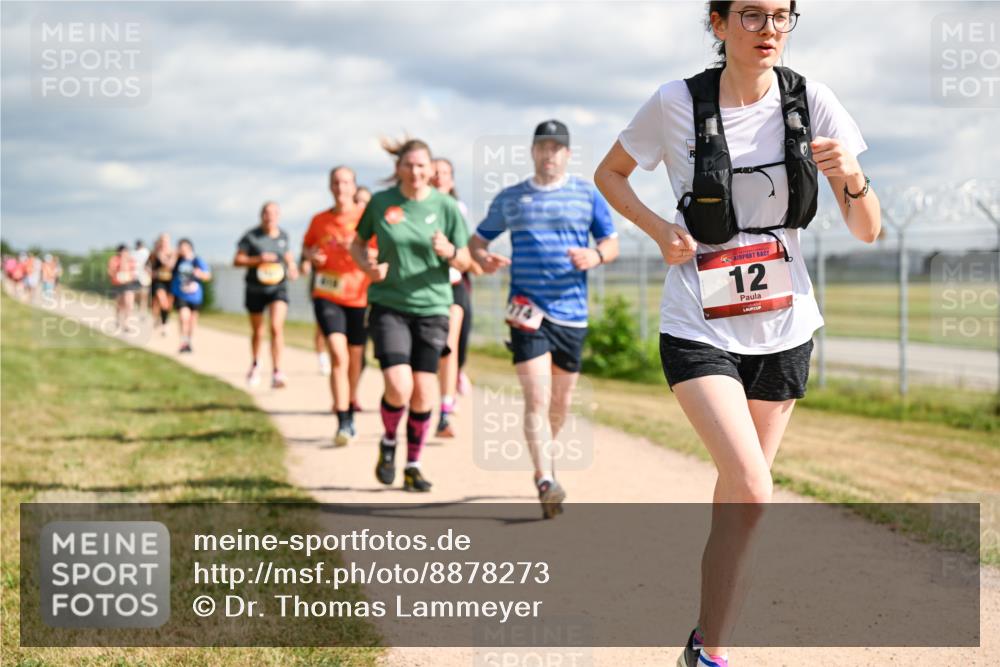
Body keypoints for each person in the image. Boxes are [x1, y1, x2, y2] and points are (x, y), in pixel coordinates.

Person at [593, 3, 881, 665]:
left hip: (785, 326)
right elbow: (610, 174)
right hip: (699, 319)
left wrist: (850, 177)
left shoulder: (814, 101)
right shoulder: (675, 102)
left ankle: (706, 649)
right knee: (752, 486)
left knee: (741, 506)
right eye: (752, 15)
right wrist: (657, 227)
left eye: (782, 15)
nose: (770, 29)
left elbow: (869, 229)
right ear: (719, 25)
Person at [469, 119, 619, 519]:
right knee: (536, 397)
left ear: (567, 154)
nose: (549, 154)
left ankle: (546, 461)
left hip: (572, 312)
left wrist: (597, 256)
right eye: (543, 147)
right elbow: (478, 240)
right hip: (527, 311)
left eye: (557, 148)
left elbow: (611, 241)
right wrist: (483, 258)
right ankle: (545, 479)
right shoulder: (511, 198)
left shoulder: (586, 194)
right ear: (533, 151)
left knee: (560, 402)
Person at [351, 137, 472, 492]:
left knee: (423, 393)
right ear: (398, 168)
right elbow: (358, 244)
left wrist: (449, 250)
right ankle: (389, 442)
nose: (416, 172)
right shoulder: (381, 203)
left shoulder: (446, 206)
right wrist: (367, 268)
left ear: (431, 169)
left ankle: (413, 465)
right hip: (390, 304)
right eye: (410, 165)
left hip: (433, 307)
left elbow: (466, 262)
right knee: (399, 386)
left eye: (422, 165)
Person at [303, 166, 374, 446]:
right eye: (336, 182)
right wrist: (312, 255)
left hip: (359, 295)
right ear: (330, 186)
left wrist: (364, 254)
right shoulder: (319, 220)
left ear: (354, 186)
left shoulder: (365, 217)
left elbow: (380, 249)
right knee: (337, 354)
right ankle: (343, 420)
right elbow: (307, 247)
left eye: (346, 182)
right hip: (327, 294)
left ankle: (350, 397)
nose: (341, 187)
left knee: (355, 357)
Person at [431, 157, 481, 437]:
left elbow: (466, 250)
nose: (439, 178)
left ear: (452, 179)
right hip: (423, 286)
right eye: (435, 173)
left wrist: (476, 263)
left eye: (445, 173)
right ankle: (434, 402)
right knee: (436, 349)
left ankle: (445, 410)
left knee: (452, 346)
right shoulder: (416, 207)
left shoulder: (457, 209)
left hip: (454, 284)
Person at [234, 201, 300, 388]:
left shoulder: (283, 236)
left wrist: (293, 268)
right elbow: (237, 260)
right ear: (261, 215)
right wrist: (257, 259)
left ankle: (277, 371)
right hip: (255, 288)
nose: (270, 217)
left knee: (276, 328)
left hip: (278, 287)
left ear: (278, 216)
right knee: (258, 331)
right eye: (266, 213)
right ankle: (255, 363)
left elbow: (287, 255)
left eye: (273, 213)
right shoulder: (251, 236)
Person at [170, 238, 212, 353]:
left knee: (192, 321)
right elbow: (168, 268)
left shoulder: (197, 260)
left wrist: (200, 274)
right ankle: (183, 342)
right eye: (179, 247)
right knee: (184, 318)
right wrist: (174, 255)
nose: (181, 249)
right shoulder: (177, 261)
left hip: (195, 296)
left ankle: (189, 341)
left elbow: (208, 276)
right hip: (181, 294)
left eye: (183, 247)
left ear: (189, 247)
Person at [149, 233, 176, 336]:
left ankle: (164, 324)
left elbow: (170, 265)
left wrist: (163, 257)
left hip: (170, 281)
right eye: (162, 241)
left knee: (167, 305)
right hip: (158, 282)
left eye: (166, 241)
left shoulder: (173, 253)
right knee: (161, 300)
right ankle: (158, 319)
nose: (164, 243)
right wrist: (152, 273)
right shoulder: (154, 253)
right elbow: (147, 266)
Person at [107, 244, 138, 333]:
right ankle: (118, 319)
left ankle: (126, 323)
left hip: (128, 284)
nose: (125, 253)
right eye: (123, 252)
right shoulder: (114, 260)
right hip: (118, 284)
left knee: (129, 303)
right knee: (120, 304)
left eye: (126, 251)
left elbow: (133, 272)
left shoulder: (131, 260)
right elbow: (110, 271)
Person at [133, 239, 151, 317]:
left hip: (142, 277)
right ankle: (140, 309)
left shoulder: (146, 253)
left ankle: (142, 312)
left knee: (143, 295)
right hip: (138, 277)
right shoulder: (134, 253)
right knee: (140, 296)